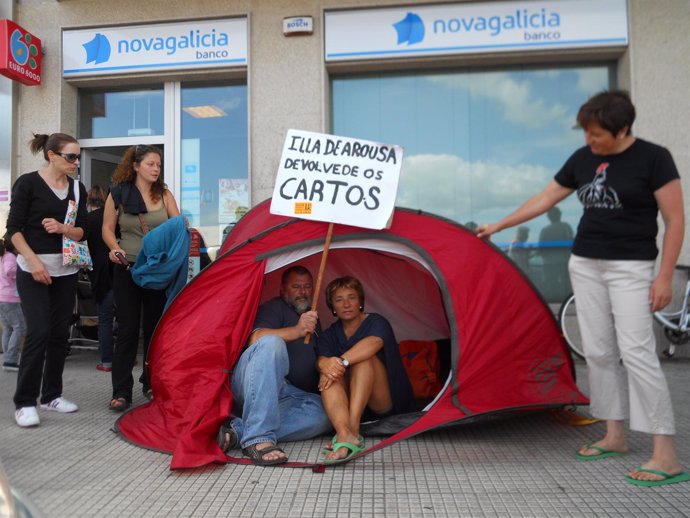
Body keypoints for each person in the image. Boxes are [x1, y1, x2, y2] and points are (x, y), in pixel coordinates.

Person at [477, 90, 688, 486]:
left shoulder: (654, 158)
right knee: (598, 350)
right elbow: (546, 196)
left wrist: (664, 275)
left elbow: (675, 220)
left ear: (623, 128)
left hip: (631, 266)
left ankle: (666, 453)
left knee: (637, 351)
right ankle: (615, 434)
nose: (590, 141)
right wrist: (500, 225)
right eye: (587, 133)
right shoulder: (582, 158)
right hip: (586, 263)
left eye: (597, 135)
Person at [6, 132, 87, 427]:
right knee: (38, 332)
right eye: (71, 157)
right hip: (33, 269)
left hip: (65, 270)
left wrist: (66, 229)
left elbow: (82, 232)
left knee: (58, 335)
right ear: (51, 155)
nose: (76, 162)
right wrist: (34, 261)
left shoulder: (78, 189)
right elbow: (13, 231)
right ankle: (24, 402)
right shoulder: (28, 183)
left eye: (78, 157)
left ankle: (51, 395)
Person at [216, 265, 332, 466]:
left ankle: (238, 432)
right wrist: (297, 330)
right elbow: (256, 338)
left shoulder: (312, 318)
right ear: (283, 290)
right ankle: (257, 439)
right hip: (251, 385)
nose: (303, 291)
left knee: (326, 413)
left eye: (307, 286)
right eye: (296, 286)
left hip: (288, 395)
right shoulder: (274, 307)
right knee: (272, 342)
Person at [102, 145, 180, 411]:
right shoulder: (118, 194)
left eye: (158, 165)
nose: (156, 169)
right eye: (150, 164)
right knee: (126, 329)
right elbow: (107, 229)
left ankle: (151, 384)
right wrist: (114, 247)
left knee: (155, 329)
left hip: (158, 272)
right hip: (128, 268)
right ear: (135, 166)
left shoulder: (165, 194)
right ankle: (121, 391)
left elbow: (178, 227)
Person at [317, 276, 415, 462]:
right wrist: (325, 364)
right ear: (333, 307)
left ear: (360, 301)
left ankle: (352, 429)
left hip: (382, 401)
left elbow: (374, 342)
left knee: (362, 360)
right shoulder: (330, 334)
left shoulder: (376, 322)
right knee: (328, 372)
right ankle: (344, 432)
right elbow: (321, 359)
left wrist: (340, 362)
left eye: (351, 297)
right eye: (339, 299)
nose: (346, 304)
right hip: (348, 402)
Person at [86, 186, 115, 372]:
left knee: (104, 319)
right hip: (116, 270)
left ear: (89, 200)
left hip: (98, 274)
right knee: (126, 318)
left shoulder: (86, 221)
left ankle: (107, 361)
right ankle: (125, 358)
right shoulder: (112, 218)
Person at [0, 238, 26, 372]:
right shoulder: (10, 256)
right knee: (20, 327)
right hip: (10, 299)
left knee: (9, 329)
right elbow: (9, 271)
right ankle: (10, 360)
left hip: (3, 297)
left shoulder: (4, 256)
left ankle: (7, 359)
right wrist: (22, 274)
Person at [538, 207, 574, 300]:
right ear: (559, 215)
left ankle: (553, 300)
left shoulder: (545, 230)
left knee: (551, 283)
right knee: (567, 284)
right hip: (565, 261)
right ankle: (568, 300)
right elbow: (572, 242)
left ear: (549, 217)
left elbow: (541, 248)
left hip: (549, 263)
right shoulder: (566, 227)